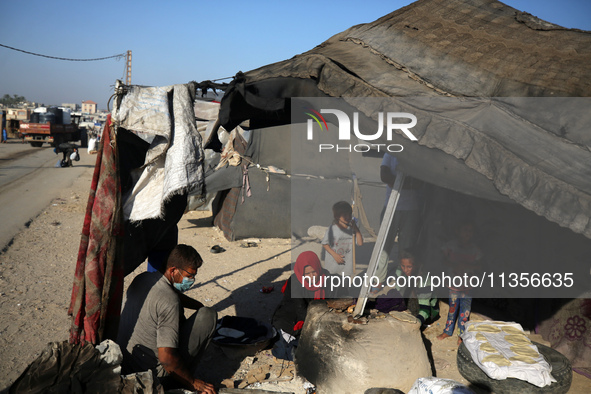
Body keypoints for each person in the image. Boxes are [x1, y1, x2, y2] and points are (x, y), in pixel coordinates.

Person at [117, 244, 217, 393]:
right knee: (207, 315)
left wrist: (197, 305)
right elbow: (166, 358)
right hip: (153, 377)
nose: (192, 280)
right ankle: (181, 382)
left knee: (193, 312)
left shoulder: (142, 278)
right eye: (189, 276)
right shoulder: (170, 301)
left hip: (125, 364)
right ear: (173, 270)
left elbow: (170, 294)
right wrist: (193, 382)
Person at [272, 251, 330, 360]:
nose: (312, 276)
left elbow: (332, 298)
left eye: (314, 272)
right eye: (307, 274)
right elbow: (300, 310)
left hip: (316, 315)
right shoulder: (295, 282)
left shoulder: (326, 277)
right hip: (292, 318)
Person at [437, 221, 483, 344]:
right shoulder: (450, 246)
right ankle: (447, 331)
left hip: (468, 286)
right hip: (453, 285)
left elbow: (480, 266)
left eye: (470, 231)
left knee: (465, 312)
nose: (467, 233)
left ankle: (462, 335)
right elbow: (442, 261)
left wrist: (466, 265)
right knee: (452, 309)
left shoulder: (475, 250)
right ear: (457, 231)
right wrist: (455, 265)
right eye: (465, 230)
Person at [393, 249, 439, 327]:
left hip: (427, 310)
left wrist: (417, 323)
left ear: (417, 265)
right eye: (403, 266)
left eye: (409, 267)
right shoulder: (399, 271)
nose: (405, 270)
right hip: (411, 303)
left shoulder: (425, 280)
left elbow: (425, 309)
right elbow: (398, 292)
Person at [321, 201, 363, 277]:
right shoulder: (332, 229)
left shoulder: (352, 229)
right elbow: (325, 244)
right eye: (345, 215)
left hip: (347, 266)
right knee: (332, 287)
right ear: (337, 216)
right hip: (333, 266)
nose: (348, 217)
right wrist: (335, 255)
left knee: (344, 287)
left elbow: (360, 243)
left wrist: (356, 229)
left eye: (350, 214)